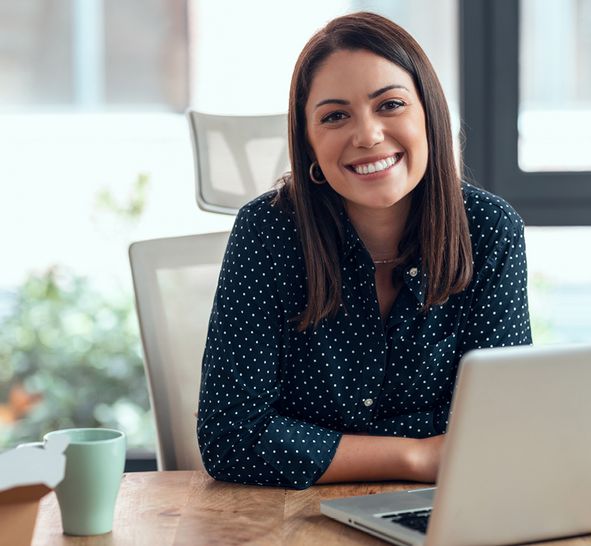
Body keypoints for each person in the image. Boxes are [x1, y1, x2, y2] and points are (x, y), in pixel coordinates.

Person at [197, 12, 532, 490]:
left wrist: (310, 443)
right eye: (335, 116)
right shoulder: (267, 231)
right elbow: (231, 440)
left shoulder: (488, 230)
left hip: (449, 510)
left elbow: (500, 425)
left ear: (428, 115)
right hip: (285, 517)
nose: (368, 135)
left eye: (390, 104)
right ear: (309, 144)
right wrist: (417, 456)